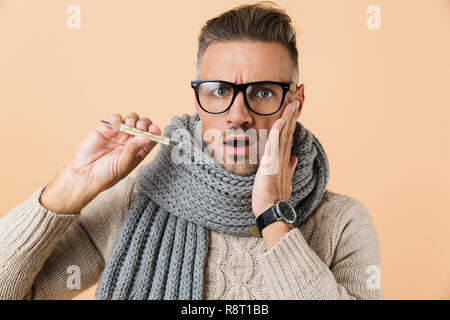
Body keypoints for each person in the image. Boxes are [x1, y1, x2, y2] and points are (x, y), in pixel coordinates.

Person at [0, 1, 382, 300]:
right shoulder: (134, 201)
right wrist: (69, 187)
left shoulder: (341, 221)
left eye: (263, 93)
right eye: (219, 91)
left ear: (295, 101)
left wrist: (274, 217)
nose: (238, 116)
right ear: (197, 101)